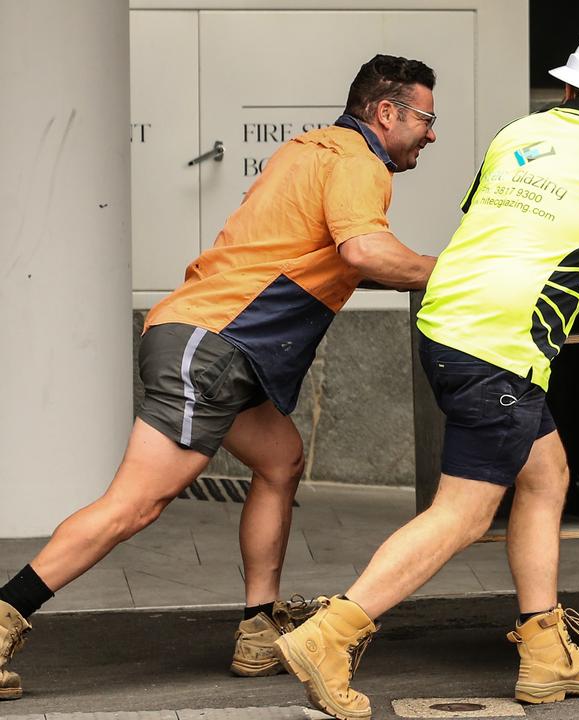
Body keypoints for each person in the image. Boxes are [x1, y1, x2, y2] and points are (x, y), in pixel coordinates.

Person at [272, 26, 579, 719]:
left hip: (447, 321)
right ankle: (331, 634)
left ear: (565, 89)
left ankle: (544, 651)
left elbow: (500, 229)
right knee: (462, 513)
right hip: (501, 342)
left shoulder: (516, 134)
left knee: (546, 472)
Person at [0, 54, 438, 700]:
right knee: (136, 503)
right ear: (386, 112)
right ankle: (5, 614)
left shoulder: (309, 150)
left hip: (219, 344)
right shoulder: (357, 162)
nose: (431, 133)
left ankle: (259, 629)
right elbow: (362, 250)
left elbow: (329, 258)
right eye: (426, 119)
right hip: (213, 344)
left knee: (281, 459)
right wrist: (464, 271)